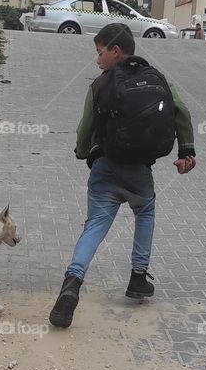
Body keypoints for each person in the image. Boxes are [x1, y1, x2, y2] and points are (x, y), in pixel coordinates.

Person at [49, 22, 196, 329]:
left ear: (116, 51)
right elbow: (181, 112)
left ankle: (72, 282)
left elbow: (84, 129)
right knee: (145, 211)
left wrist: (81, 151)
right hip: (139, 173)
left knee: (96, 225)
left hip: (105, 167)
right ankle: (138, 278)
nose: (97, 59)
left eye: (100, 52)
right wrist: (186, 151)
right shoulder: (158, 79)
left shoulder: (100, 84)